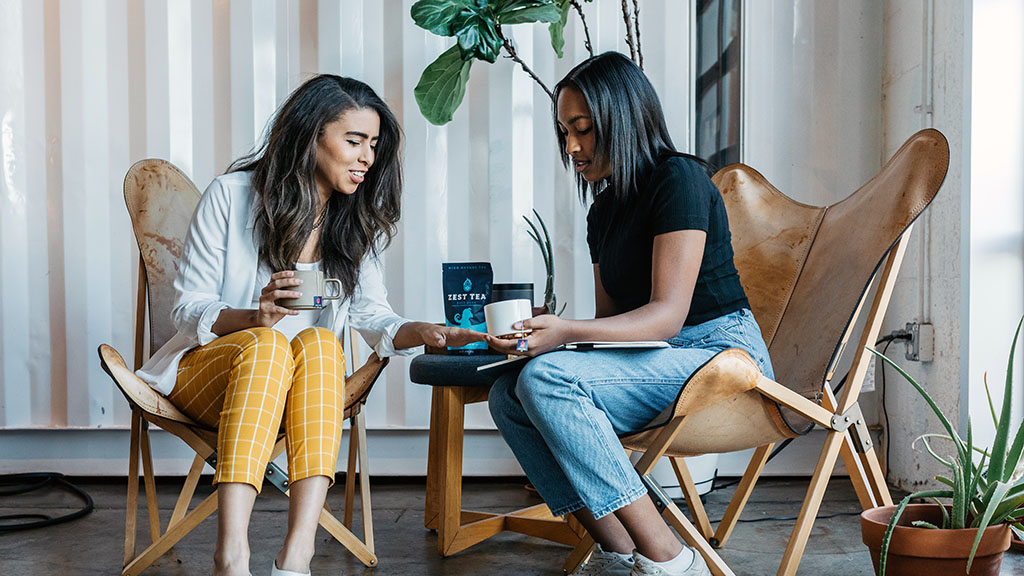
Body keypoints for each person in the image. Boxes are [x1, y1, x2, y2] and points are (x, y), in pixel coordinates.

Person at [137, 75, 484, 576]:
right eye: (354, 140)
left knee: (321, 343)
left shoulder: (352, 221)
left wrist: (426, 331)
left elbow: (372, 316)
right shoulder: (231, 197)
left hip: (301, 390)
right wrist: (254, 317)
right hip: (210, 376)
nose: (367, 156)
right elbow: (187, 308)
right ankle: (231, 555)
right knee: (266, 346)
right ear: (309, 135)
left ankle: (296, 556)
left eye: (374, 145)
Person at [486, 52, 774, 576]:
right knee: (508, 395)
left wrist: (566, 334)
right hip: (659, 359)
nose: (571, 147)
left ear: (622, 116)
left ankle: (671, 559)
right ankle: (622, 550)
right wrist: (552, 330)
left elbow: (664, 317)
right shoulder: (604, 210)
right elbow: (613, 325)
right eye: (563, 132)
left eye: (583, 129)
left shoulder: (680, 179)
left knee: (548, 381)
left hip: (722, 358)